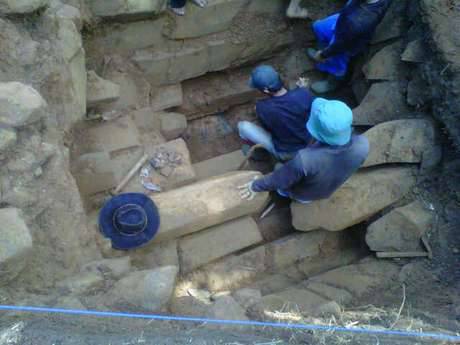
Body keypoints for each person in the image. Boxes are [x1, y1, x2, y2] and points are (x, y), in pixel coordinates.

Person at [238, 98, 369, 204]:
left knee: (279, 168)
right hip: (324, 190)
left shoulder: (304, 160)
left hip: (302, 194)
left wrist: (254, 186)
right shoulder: (363, 145)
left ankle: (282, 196)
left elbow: (278, 180)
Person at [307, 0, 392, 94]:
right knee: (318, 27)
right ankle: (323, 51)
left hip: (347, 41)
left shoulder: (359, 22)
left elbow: (340, 46)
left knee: (337, 63)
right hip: (345, 19)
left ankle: (332, 82)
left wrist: (323, 55)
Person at [238, 65, 314, 162]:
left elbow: (267, 127)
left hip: (287, 153)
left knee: (242, 126)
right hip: (312, 145)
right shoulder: (304, 94)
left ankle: (259, 152)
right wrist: (301, 89)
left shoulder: (262, 108)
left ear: (266, 90)